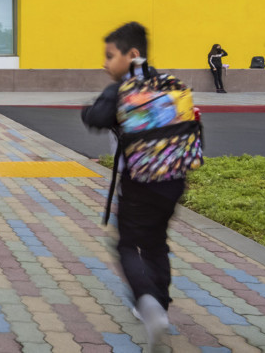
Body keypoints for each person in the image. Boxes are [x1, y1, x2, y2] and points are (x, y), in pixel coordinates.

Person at [81, 22, 187, 351]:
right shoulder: (167, 83)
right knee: (156, 243)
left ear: (132, 55)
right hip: (174, 180)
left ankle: (149, 305)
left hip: (138, 183)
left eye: (110, 56)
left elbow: (96, 118)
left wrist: (87, 108)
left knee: (127, 245)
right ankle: (162, 307)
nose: (104, 63)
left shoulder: (121, 89)